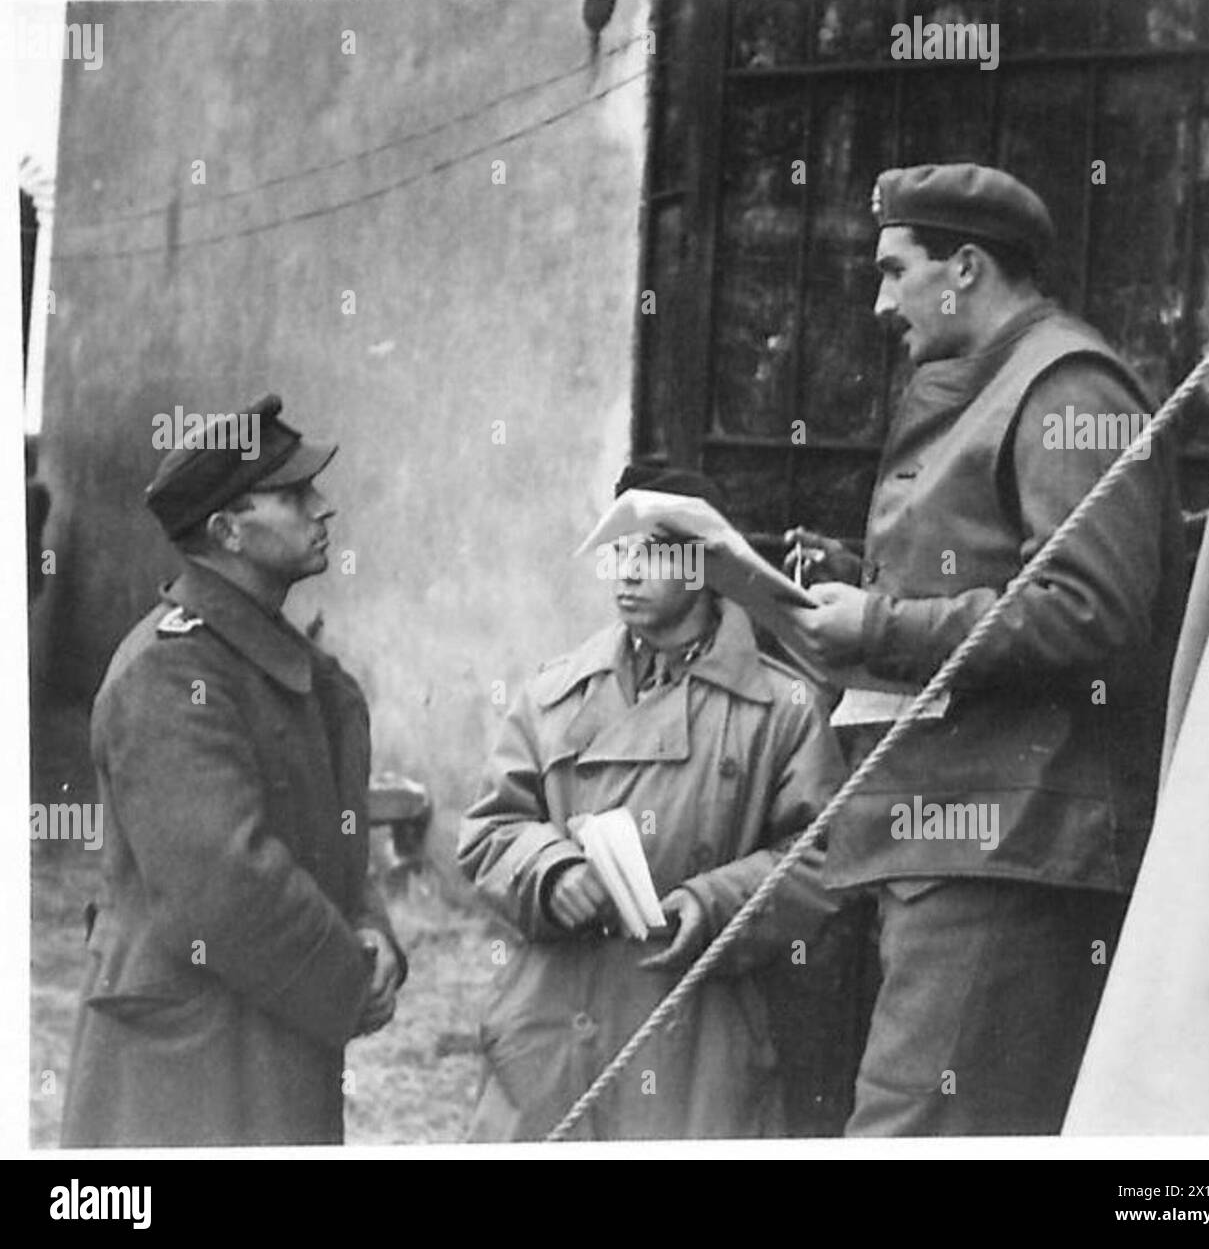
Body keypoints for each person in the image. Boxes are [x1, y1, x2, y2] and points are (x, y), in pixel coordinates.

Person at [785, 163, 1186, 1135]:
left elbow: (1090, 609)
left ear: (963, 266)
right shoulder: (996, 383)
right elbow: (1002, 578)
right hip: (957, 840)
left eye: (893, 270)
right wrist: (857, 579)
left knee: (913, 1133)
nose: (881, 302)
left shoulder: (1065, 385)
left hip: (1010, 849)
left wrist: (877, 628)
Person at [458, 467, 845, 1141]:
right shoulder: (557, 691)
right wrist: (551, 871)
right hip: (555, 1014)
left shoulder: (780, 708)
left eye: (654, 553)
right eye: (619, 552)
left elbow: (822, 857)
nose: (628, 573)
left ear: (703, 566)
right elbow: (491, 827)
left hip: (694, 1014)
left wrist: (714, 901)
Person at [61, 394, 405, 1147]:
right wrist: (347, 978)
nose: (324, 509)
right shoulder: (170, 671)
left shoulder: (293, 666)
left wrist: (372, 929)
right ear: (226, 531)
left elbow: (332, 837)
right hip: (186, 1052)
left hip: (268, 1028)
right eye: (294, 495)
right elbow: (225, 884)